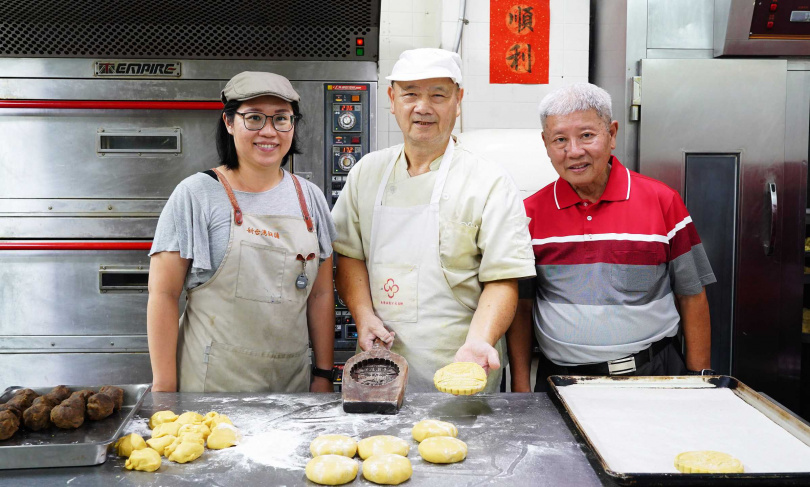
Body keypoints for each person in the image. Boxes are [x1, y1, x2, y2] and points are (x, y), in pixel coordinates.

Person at [331, 48, 536, 392]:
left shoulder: (488, 181)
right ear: (392, 99)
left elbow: (503, 279)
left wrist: (479, 341)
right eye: (410, 94)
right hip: (377, 368)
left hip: (463, 368)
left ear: (458, 100)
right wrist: (363, 316)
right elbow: (350, 256)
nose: (422, 107)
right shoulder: (367, 172)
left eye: (437, 95)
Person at [508, 83, 716, 392]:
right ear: (545, 144)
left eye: (587, 136)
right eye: (560, 140)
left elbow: (691, 295)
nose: (574, 151)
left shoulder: (662, 201)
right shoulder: (528, 214)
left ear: (612, 134)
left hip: (653, 375)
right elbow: (521, 308)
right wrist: (521, 389)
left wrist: (700, 380)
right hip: (562, 382)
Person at [147, 71, 337, 393]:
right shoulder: (197, 194)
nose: (269, 131)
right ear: (229, 122)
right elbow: (163, 295)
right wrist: (164, 387)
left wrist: (322, 373)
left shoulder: (310, 198)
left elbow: (319, 294)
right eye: (254, 118)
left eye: (281, 119)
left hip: (290, 387)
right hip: (212, 386)